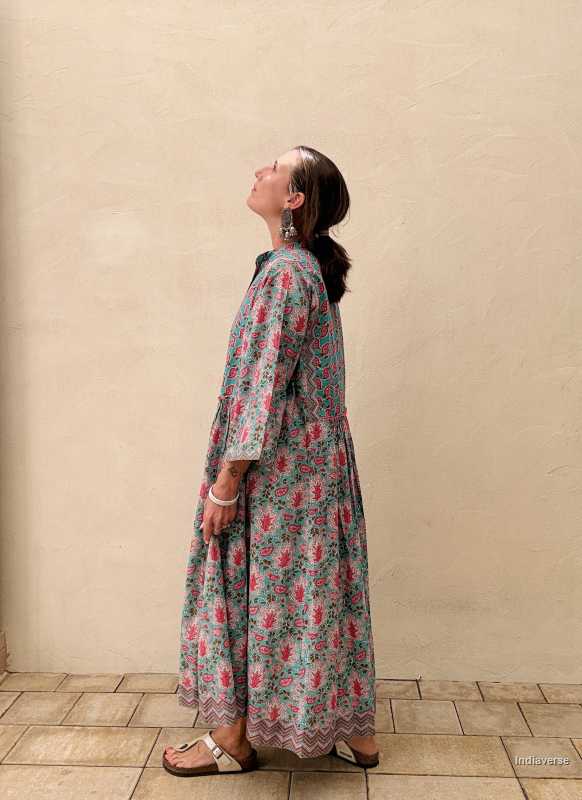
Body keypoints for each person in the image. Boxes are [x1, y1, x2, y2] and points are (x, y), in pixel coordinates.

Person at [163, 146, 378, 777]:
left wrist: (228, 481)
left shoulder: (287, 272)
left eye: (274, 169)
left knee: (253, 593)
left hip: (279, 474)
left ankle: (231, 736)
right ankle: (354, 732)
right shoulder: (305, 268)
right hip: (317, 470)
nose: (258, 171)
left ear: (295, 199)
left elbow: (263, 384)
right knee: (318, 595)